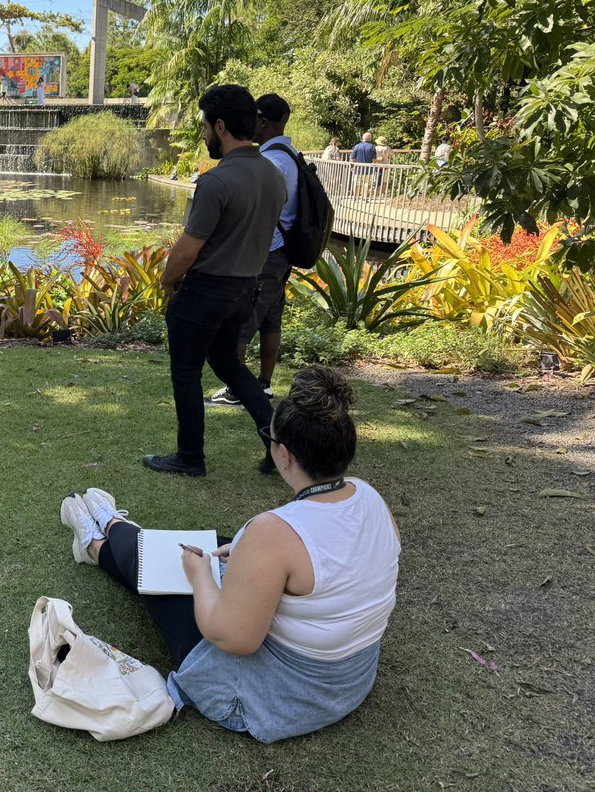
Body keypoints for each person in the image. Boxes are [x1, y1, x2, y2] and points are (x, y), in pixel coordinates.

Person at [61, 366, 401, 743]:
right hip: (350, 679)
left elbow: (235, 640)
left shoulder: (273, 532)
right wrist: (244, 555)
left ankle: (101, 541)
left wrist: (200, 577)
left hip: (281, 697)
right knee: (216, 546)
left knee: (167, 569)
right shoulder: (369, 496)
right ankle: (113, 531)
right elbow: (336, 559)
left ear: (283, 454)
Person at [146, 84, 286, 477]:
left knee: (186, 372)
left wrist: (167, 280)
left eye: (206, 127)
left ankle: (190, 457)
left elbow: (188, 249)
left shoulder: (217, 181)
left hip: (206, 290)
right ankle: (278, 446)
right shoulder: (273, 176)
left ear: (220, 126)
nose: (205, 134)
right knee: (229, 364)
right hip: (246, 289)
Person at [208, 94, 297, 409]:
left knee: (243, 321)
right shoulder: (291, 155)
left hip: (266, 252)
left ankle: (237, 389)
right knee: (271, 320)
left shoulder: (270, 162)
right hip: (284, 251)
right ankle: (263, 384)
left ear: (262, 121)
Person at [351, 132, 378, 196]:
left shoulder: (357, 146)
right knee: (367, 184)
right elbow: (374, 160)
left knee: (356, 183)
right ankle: (365, 197)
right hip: (368, 170)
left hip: (358, 169)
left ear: (362, 138)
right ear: (370, 139)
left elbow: (352, 159)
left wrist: (352, 166)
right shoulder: (372, 147)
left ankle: (355, 197)